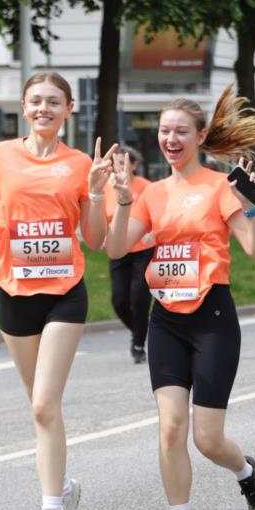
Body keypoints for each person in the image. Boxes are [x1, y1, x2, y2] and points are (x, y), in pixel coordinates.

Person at [106, 84, 255, 510]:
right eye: (164, 131)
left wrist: (251, 207)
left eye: (181, 131)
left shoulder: (221, 185)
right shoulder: (152, 194)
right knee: (170, 427)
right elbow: (117, 249)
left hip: (213, 319)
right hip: (167, 322)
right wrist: (120, 203)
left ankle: (245, 473)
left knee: (208, 439)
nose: (171, 138)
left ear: (200, 136)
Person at [0, 72, 116, 510]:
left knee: (45, 406)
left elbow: (94, 241)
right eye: (35, 101)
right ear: (23, 108)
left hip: (64, 295)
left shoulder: (79, 165)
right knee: (40, 409)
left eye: (53, 102)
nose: (43, 108)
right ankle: (65, 490)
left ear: (69, 109)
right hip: (13, 293)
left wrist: (94, 193)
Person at [104, 146, 155, 363]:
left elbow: (158, 213)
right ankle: (142, 330)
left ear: (134, 165)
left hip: (144, 249)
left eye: (123, 163)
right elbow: (102, 215)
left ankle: (138, 344)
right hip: (119, 250)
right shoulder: (108, 187)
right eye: (115, 163)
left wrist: (151, 232)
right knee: (119, 300)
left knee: (139, 298)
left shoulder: (147, 187)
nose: (119, 168)